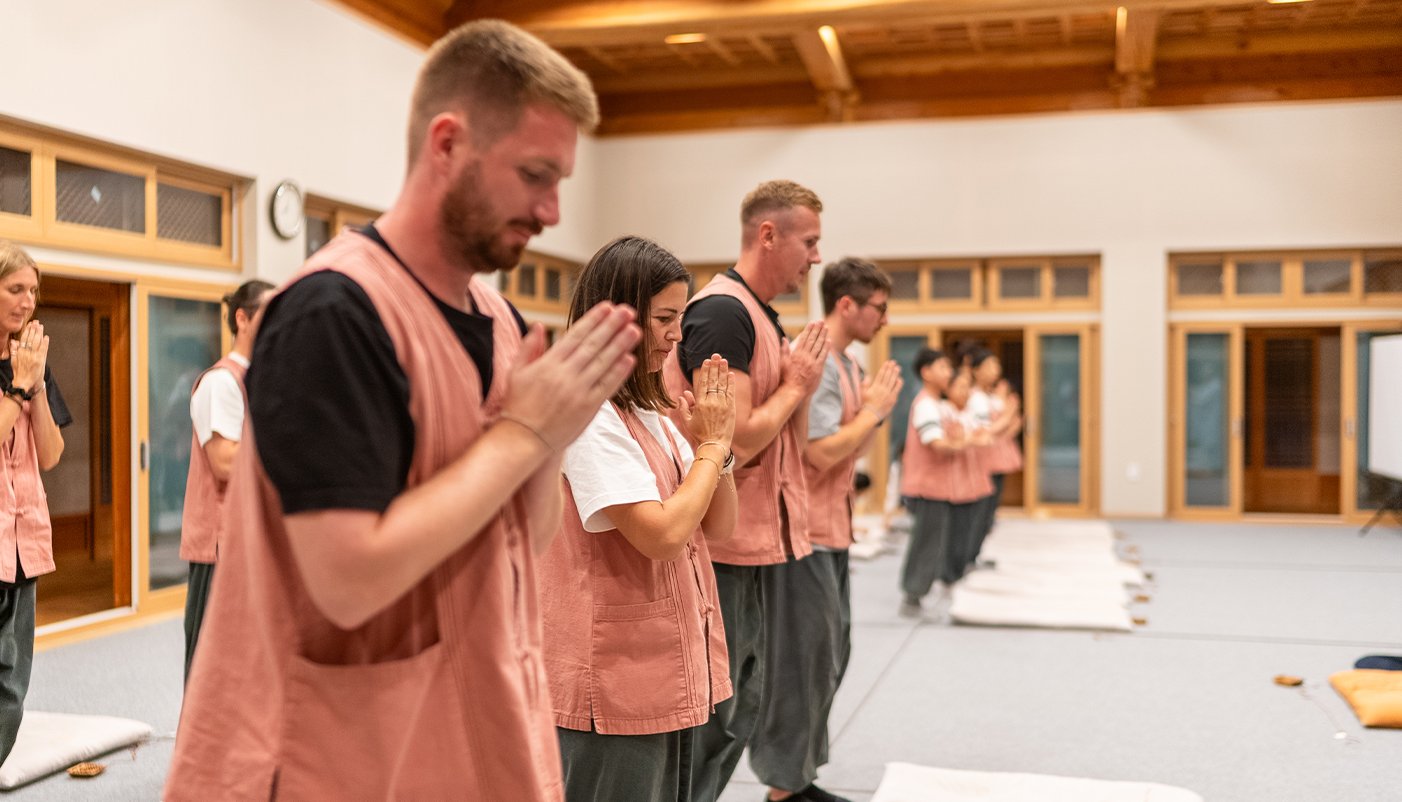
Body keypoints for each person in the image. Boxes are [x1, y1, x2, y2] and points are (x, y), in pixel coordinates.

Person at [164, 21, 641, 801]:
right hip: (331, 752)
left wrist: (552, 435)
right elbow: (348, 578)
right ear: (447, 144)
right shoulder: (332, 314)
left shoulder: (501, 322)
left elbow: (530, 534)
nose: (552, 210)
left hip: (473, 721)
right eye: (534, 175)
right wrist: (525, 432)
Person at [539, 235, 738, 801]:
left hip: (661, 668)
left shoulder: (645, 411)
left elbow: (718, 526)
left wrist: (715, 447)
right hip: (614, 676)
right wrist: (713, 445)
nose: (678, 336)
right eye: (666, 318)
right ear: (621, 318)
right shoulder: (589, 412)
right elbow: (663, 535)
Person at [666, 179, 830, 802]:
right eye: (809, 241)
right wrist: (797, 385)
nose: (815, 257)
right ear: (768, 234)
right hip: (724, 547)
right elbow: (733, 441)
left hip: (762, 542)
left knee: (741, 706)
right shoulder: (723, 313)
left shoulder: (762, 317)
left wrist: (800, 389)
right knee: (716, 713)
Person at [749, 257, 902, 802]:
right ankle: (783, 786)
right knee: (803, 659)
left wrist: (875, 415)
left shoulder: (851, 367)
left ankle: (798, 776)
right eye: (879, 308)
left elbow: (852, 450)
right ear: (847, 305)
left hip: (834, 531)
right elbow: (817, 453)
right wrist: (875, 413)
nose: (884, 319)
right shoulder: (818, 361)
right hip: (803, 534)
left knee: (832, 653)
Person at [178, 279, 274, 681]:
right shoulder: (221, 382)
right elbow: (224, 461)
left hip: (257, 541)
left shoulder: (265, 378)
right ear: (243, 318)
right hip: (221, 547)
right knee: (211, 669)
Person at [0, 241, 70, 766]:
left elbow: (50, 455)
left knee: (14, 684)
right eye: (14, 289)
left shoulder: (31, 361)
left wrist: (38, 387)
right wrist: (18, 389)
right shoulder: (16, 373)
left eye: (33, 291)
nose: (27, 302)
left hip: (25, 541)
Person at [897, 350, 990, 619]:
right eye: (941, 367)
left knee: (936, 541)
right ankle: (912, 598)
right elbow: (936, 443)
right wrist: (964, 442)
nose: (948, 372)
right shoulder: (925, 403)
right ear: (925, 372)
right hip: (928, 485)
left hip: (939, 486)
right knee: (926, 542)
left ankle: (922, 594)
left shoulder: (939, 404)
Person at [966, 349, 1022, 566]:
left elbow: (1004, 430)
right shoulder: (977, 398)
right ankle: (969, 556)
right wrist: (1008, 415)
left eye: (996, 365)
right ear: (976, 371)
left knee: (989, 512)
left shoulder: (992, 396)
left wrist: (1011, 418)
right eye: (989, 365)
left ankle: (975, 554)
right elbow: (986, 430)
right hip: (984, 459)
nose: (995, 370)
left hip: (997, 457)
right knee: (981, 511)